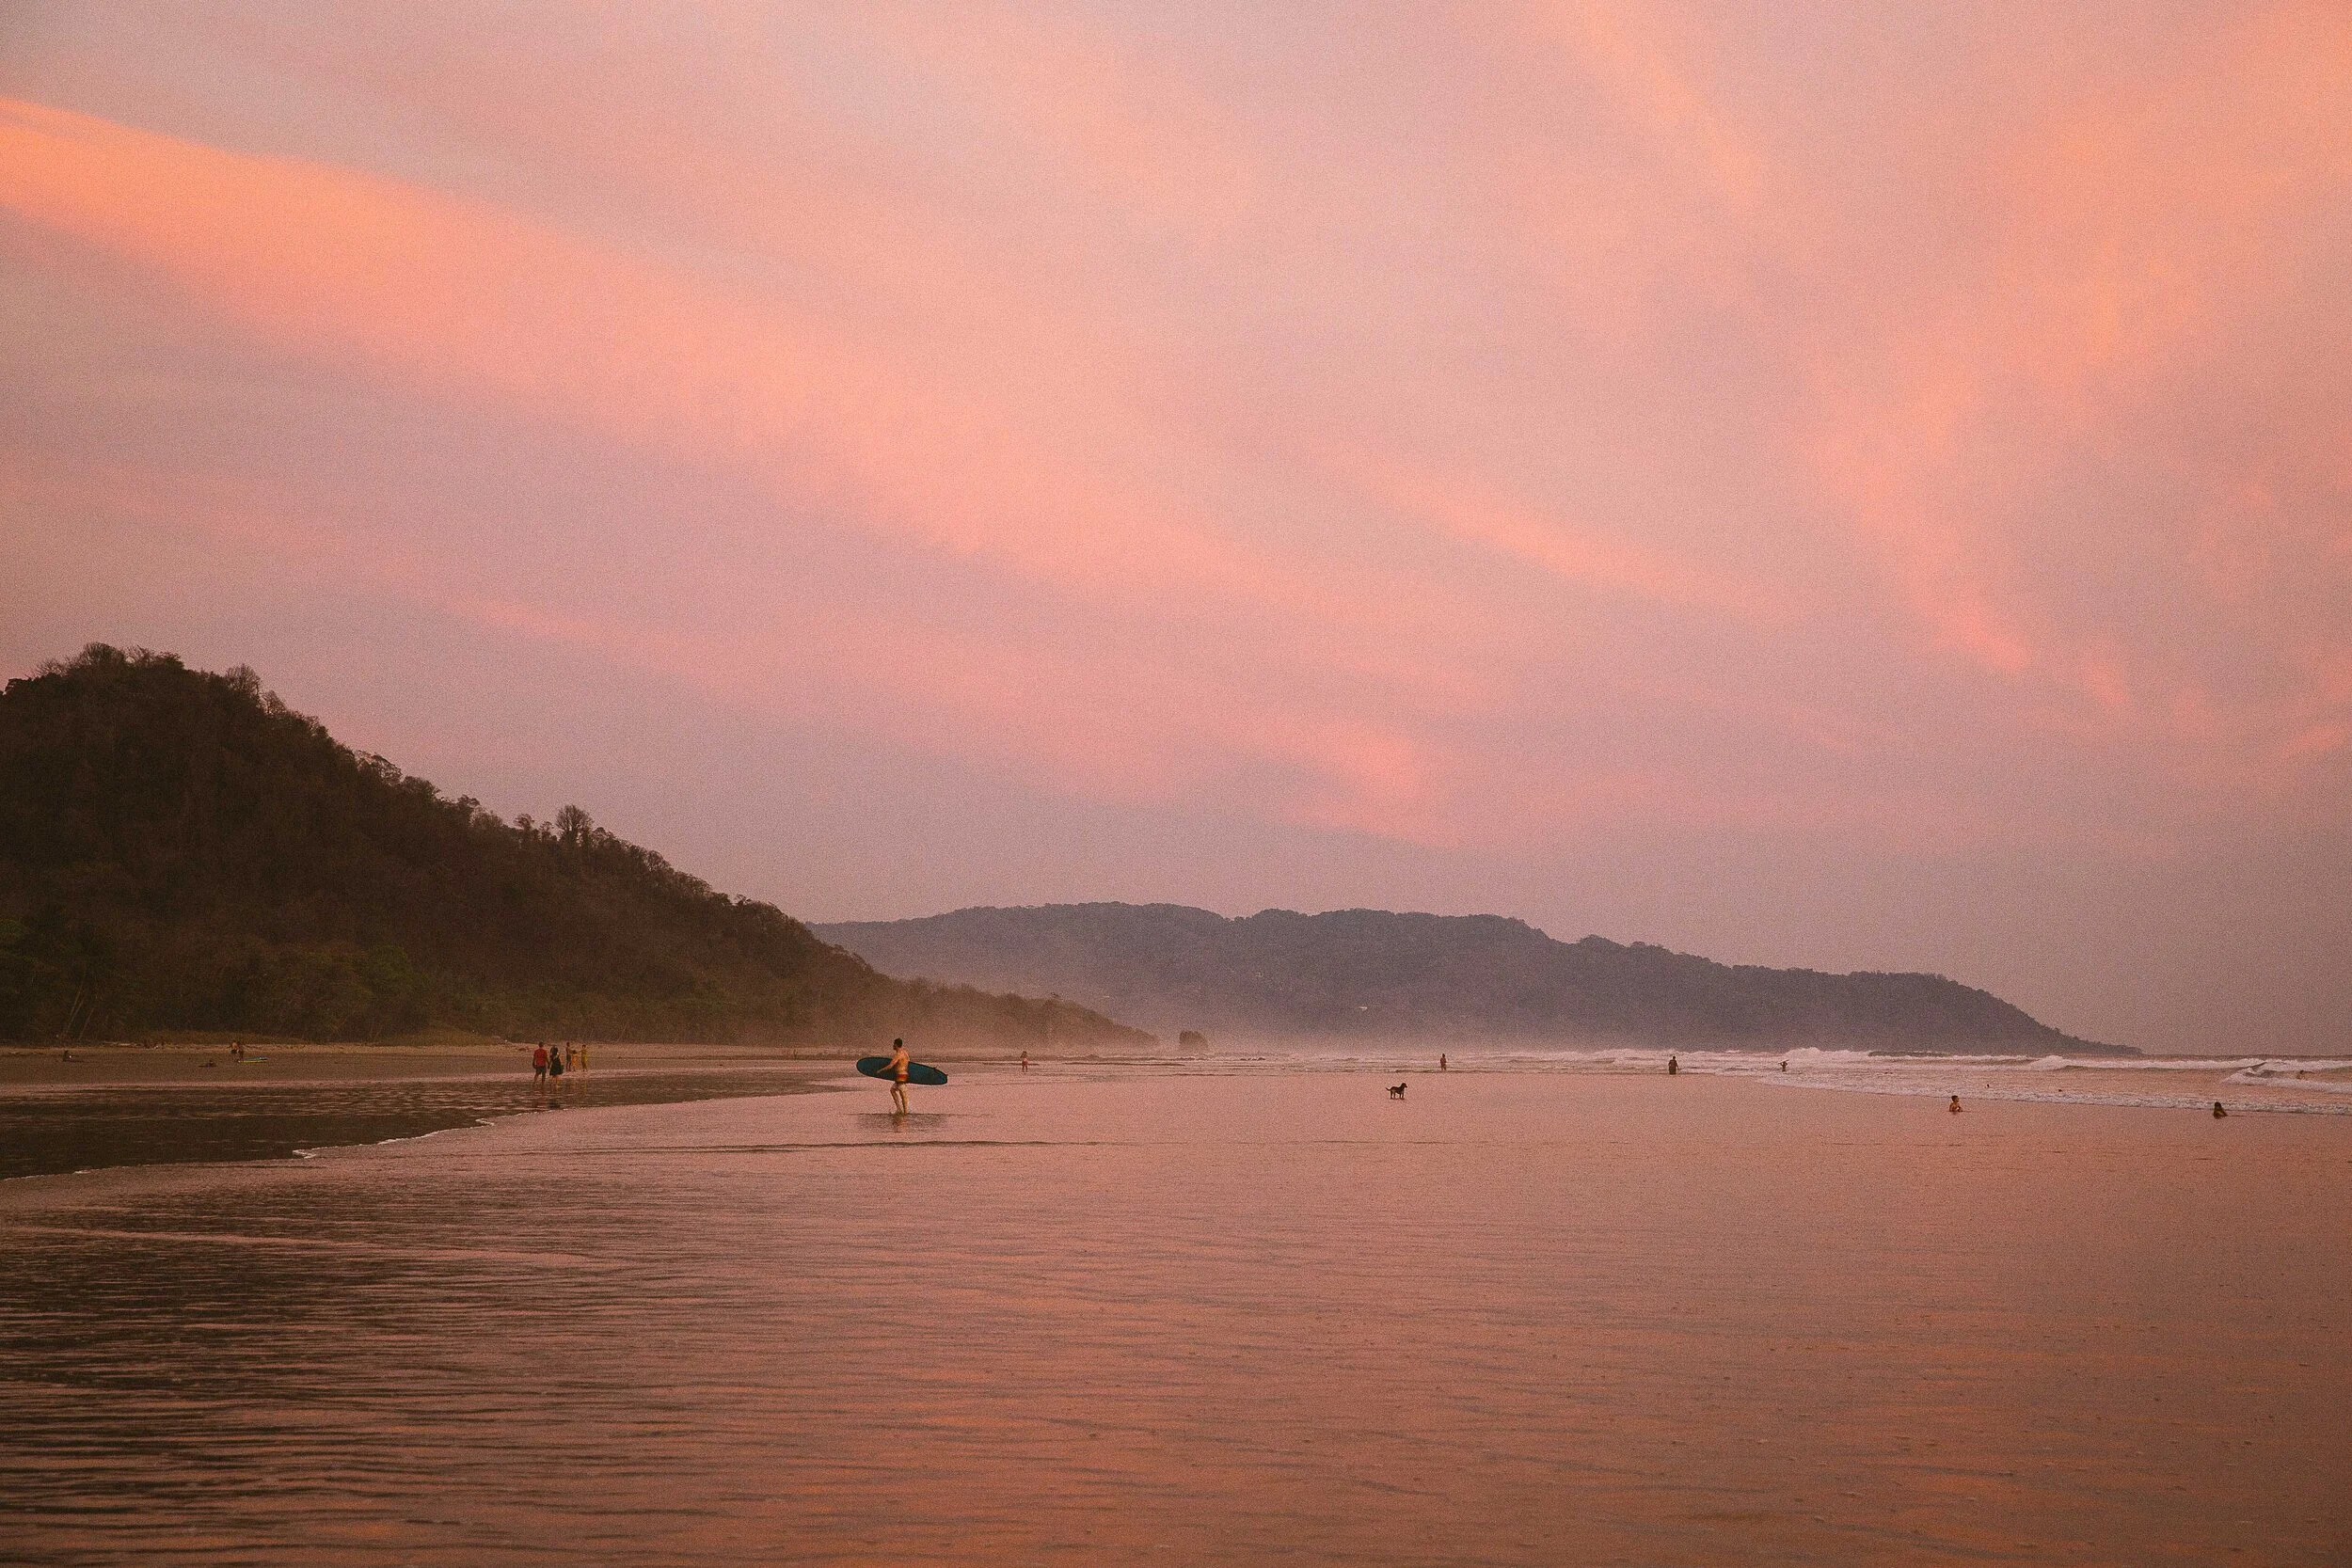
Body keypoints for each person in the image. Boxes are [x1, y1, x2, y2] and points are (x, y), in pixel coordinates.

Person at [887, 1037, 911, 1113]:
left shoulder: (898, 1054)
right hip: (903, 1075)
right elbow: (908, 1062)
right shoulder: (905, 1053)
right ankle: (900, 1109)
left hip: (901, 1076)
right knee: (893, 1090)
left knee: (902, 1094)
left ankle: (904, 1112)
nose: (892, 1046)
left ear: (896, 1045)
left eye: (893, 1044)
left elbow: (891, 1065)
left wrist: (880, 1070)